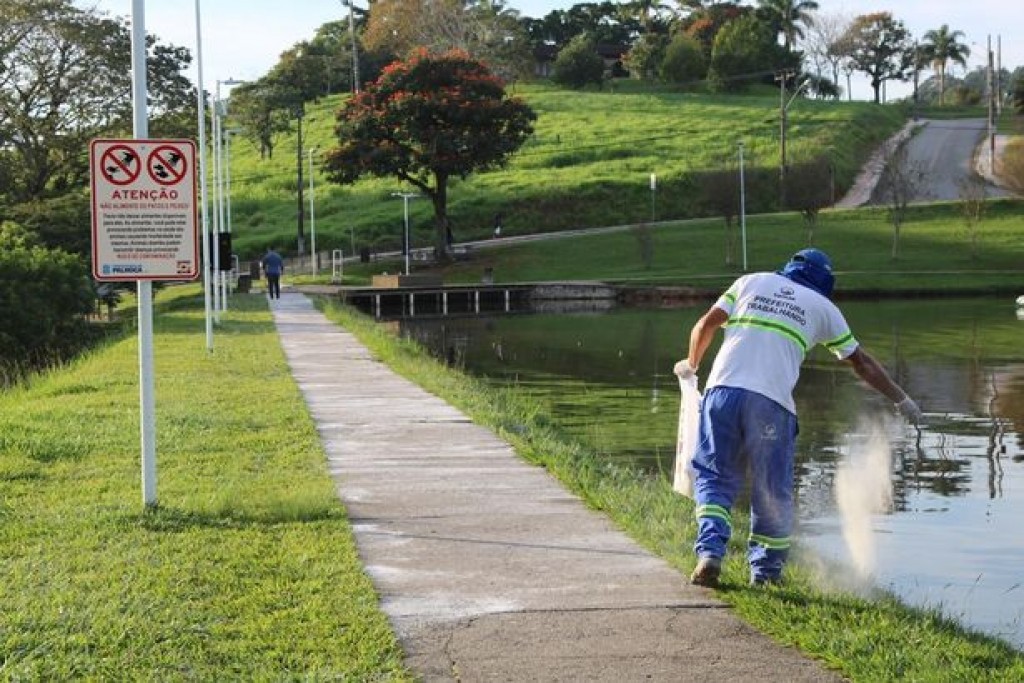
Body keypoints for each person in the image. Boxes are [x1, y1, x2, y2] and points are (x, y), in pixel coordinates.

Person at [674, 248, 922, 588]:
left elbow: (705, 325)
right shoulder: (823, 308)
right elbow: (861, 363)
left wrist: (692, 365)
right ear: (825, 281)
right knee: (771, 491)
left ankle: (710, 554)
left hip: (722, 393)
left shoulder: (751, 282)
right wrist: (901, 399)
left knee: (715, 478)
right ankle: (765, 575)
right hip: (771, 403)